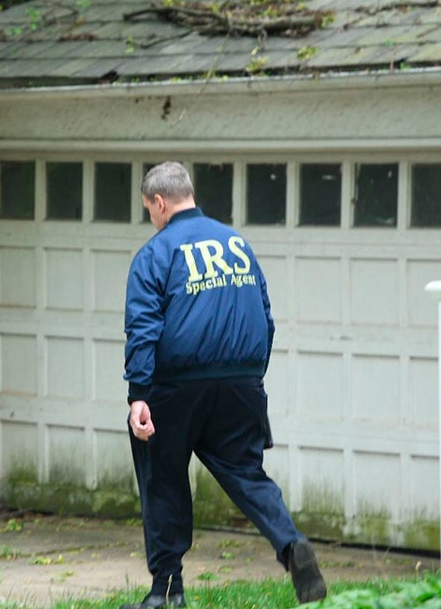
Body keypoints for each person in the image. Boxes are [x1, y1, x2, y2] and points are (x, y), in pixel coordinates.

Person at [120, 163, 327, 609]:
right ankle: (291, 545)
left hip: (176, 387)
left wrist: (139, 393)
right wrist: (250, 375)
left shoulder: (156, 253)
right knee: (247, 474)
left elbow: (143, 327)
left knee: (163, 477)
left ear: (159, 203)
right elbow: (266, 316)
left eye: (148, 210)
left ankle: (167, 591)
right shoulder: (238, 245)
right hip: (241, 383)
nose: (151, 219)